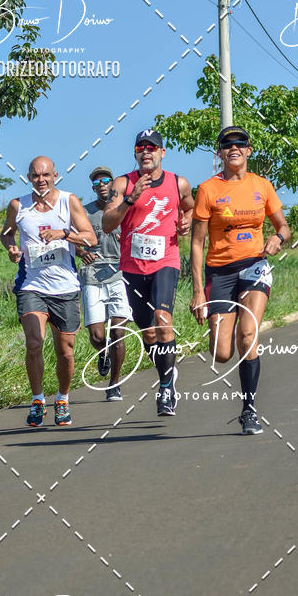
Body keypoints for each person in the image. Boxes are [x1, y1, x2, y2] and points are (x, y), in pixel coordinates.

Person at [189, 125, 291, 434]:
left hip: (254, 265)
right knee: (222, 354)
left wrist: (278, 240)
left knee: (249, 335)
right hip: (219, 271)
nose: (234, 147)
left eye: (240, 142)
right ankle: (226, 328)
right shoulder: (208, 189)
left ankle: (249, 410)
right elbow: (196, 243)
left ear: (248, 150)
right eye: (227, 143)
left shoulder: (262, 185)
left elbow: (284, 226)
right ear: (219, 152)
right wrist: (198, 292)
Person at [102, 129, 193, 416]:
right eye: (141, 147)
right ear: (135, 153)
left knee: (163, 319)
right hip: (132, 266)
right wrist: (131, 199)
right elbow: (106, 224)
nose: (147, 151)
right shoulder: (122, 183)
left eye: (152, 147)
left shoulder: (179, 183)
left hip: (166, 260)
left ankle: (166, 388)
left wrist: (186, 223)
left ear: (162, 153)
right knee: (149, 333)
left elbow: (190, 208)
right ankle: (167, 372)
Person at [1, 156, 96, 427]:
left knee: (65, 351)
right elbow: (6, 232)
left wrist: (63, 234)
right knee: (34, 343)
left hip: (65, 287)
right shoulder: (18, 206)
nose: (40, 180)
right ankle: (37, 399)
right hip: (31, 285)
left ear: (55, 176)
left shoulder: (69, 201)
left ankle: (62, 399)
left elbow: (91, 237)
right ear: (28, 178)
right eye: (35, 176)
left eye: (45, 175)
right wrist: (10, 248)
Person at [78, 166, 132, 401]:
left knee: (118, 332)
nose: (101, 184)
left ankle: (114, 383)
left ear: (112, 183)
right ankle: (103, 353)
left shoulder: (123, 209)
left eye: (105, 180)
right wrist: (81, 252)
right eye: (96, 182)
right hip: (92, 275)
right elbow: (71, 238)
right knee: (98, 336)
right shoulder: (85, 212)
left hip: (120, 274)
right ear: (93, 186)